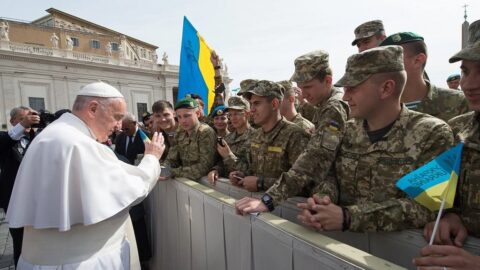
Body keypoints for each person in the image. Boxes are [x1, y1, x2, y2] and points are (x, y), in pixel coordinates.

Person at [283, 46, 452, 233]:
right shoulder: (347, 130)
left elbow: (428, 205)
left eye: (353, 89)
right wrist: (323, 200)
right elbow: (330, 176)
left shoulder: (433, 134)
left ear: (386, 88)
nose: (345, 97)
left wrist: (348, 217)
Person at [6, 81, 165, 270]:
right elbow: (133, 188)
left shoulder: (54, 134)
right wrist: (152, 158)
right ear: (93, 108)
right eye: (116, 117)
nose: (118, 126)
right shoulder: (78, 144)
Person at [235, 50, 349, 214]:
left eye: (308, 86)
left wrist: (269, 199)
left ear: (328, 80)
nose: (303, 93)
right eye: (300, 87)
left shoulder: (333, 108)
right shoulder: (323, 106)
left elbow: (315, 159)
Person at [414, 19, 480, 270]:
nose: (468, 84)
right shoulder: (456, 129)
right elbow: (429, 198)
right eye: (465, 71)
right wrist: (450, 216)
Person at [229, 80, 310, 192]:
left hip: (285, 207)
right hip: (255, 204)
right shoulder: (257, 135)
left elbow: (304, 181)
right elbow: (254, 170)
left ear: (274, 104)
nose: (252, 109)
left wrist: (261, 183)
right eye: (251, 104)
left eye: (257, 103)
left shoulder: (295, 135)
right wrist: (242, 175)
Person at [380, 32, 470, 122]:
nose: (380, 68)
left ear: (418, 60)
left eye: (391, 60)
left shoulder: (458, 102)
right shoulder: (377, 108)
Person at [0, 106, 39, 267]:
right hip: (14, 199)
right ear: (13, 121)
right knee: (20, 240)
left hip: (37, 199)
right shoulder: (5, 139)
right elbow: (8, 138)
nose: (27, 121)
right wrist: (23, 125)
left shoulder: (37, 139)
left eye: (30, 117)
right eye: (22, 118)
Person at [164, 96, 217, 181]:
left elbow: (204, 167)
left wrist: (173, 172)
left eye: (186, 116)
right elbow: (171, 158)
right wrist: (164, 169)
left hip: (203, 184)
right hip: (184, 182)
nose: (183, 121)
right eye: (179, 117)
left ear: (198, 114)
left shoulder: (206, 132)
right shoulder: (180, 132)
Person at [207, 96, 254, 184]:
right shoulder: (228, 138)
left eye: (236, 113)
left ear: (247, 114)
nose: (233, 118)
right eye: (230, 115)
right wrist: (216, 170)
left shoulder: (256, 138)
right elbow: (222, 163)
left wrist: (229, 156)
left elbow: (252, 170)